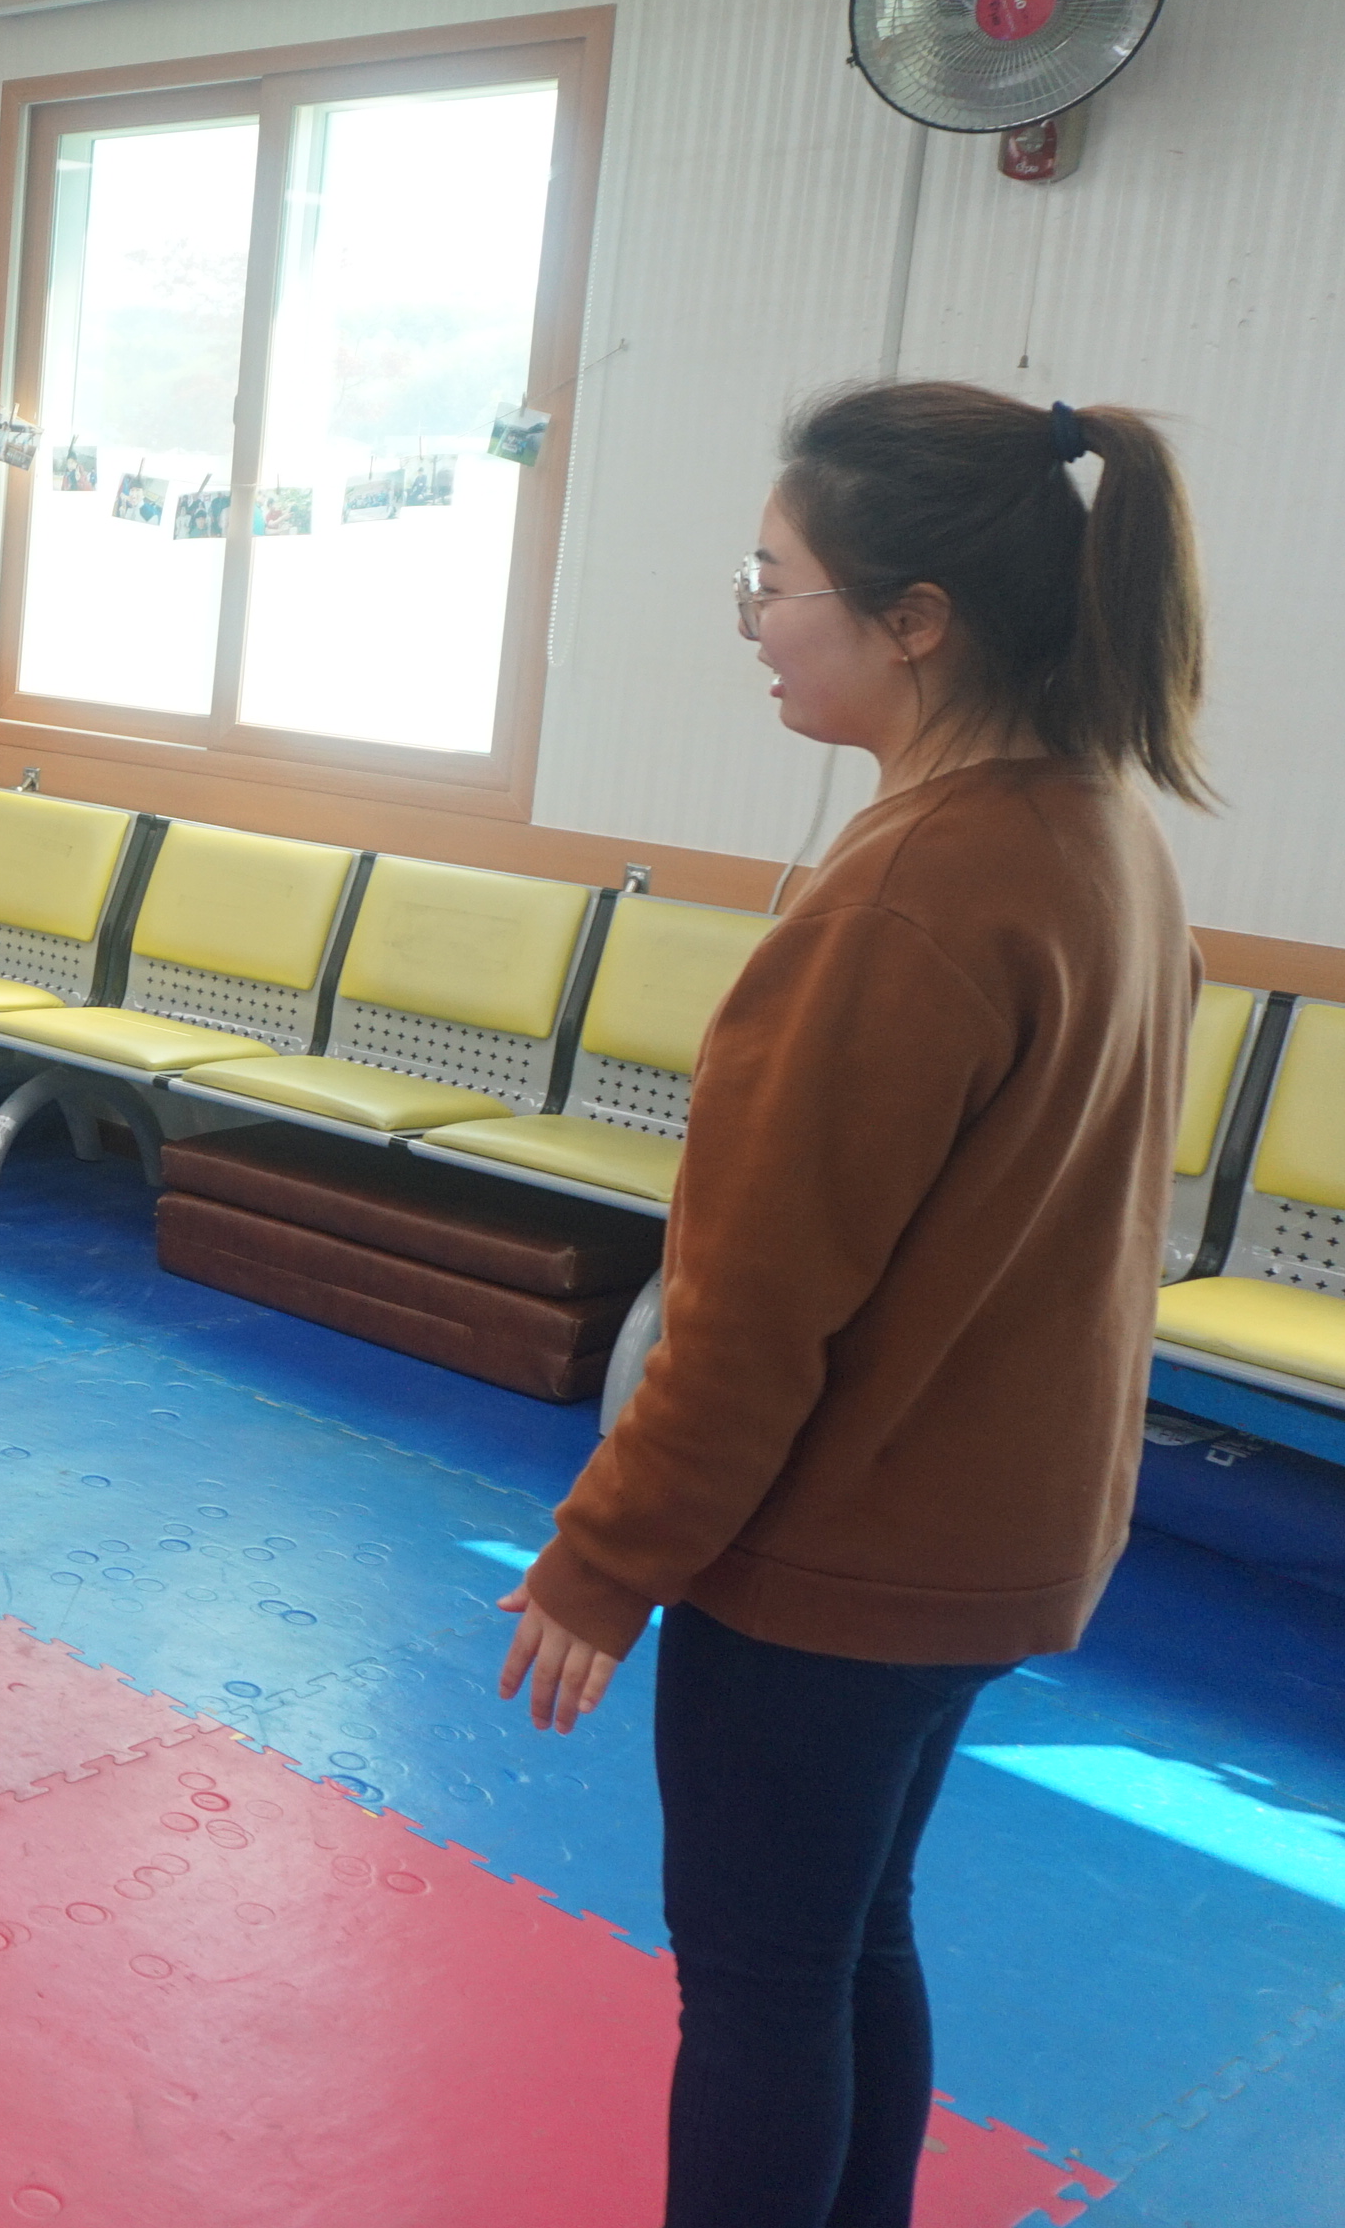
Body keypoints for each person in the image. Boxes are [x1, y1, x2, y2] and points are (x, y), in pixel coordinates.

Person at [498, 384, 1208, 2228]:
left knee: (759, 1985)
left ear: (915, 620)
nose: (752, 620)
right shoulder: (1097, 828)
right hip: (990, 1538)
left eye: (774, 579)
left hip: (842, 1554)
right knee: (845, 1938)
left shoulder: (909, 895)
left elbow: (752, 1311)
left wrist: (604, 1557)